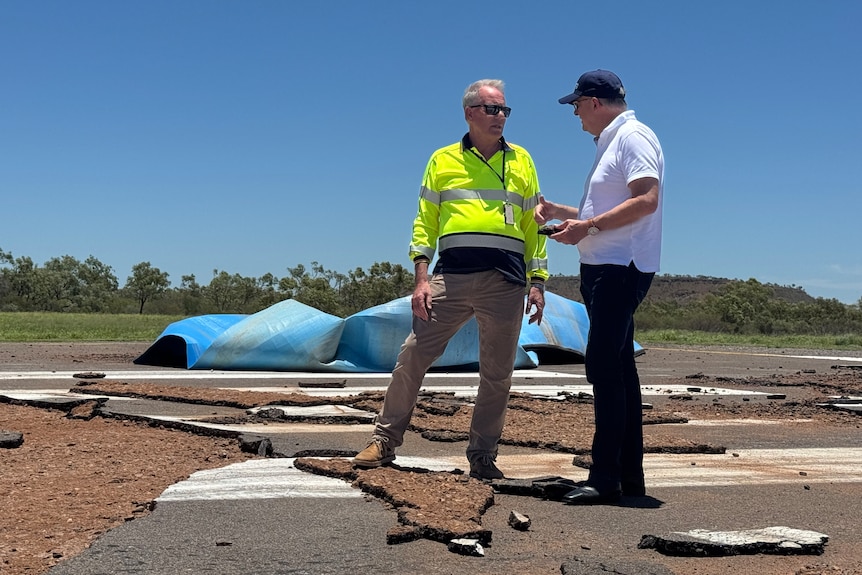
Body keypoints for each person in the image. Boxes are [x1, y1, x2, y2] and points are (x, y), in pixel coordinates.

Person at [352, 79, 548, 480]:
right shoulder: (442, 160)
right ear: (470, 112)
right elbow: (425, 222)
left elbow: (533, 225)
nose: (500, 117)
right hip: (450, 279)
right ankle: (384, 440)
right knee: (413, 356)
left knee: (497, 374)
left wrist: (538, 280)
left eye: (505, 110)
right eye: (492, 109)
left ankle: (482, 456)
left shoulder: (523, 161)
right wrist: (421, 278)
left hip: (506, 282)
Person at [536, 70, 664, 504]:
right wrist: (566, 213)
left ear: (593, 101)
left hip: (618, 269)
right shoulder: (612, 141)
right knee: (620, 371)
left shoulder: (633, 136)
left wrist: (586, 226)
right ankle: (628, 477)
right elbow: (609, 209)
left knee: (605, 370)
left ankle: (605, 477)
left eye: (575, 105)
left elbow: (647, 199)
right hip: (606, 267)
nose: (574, 114)